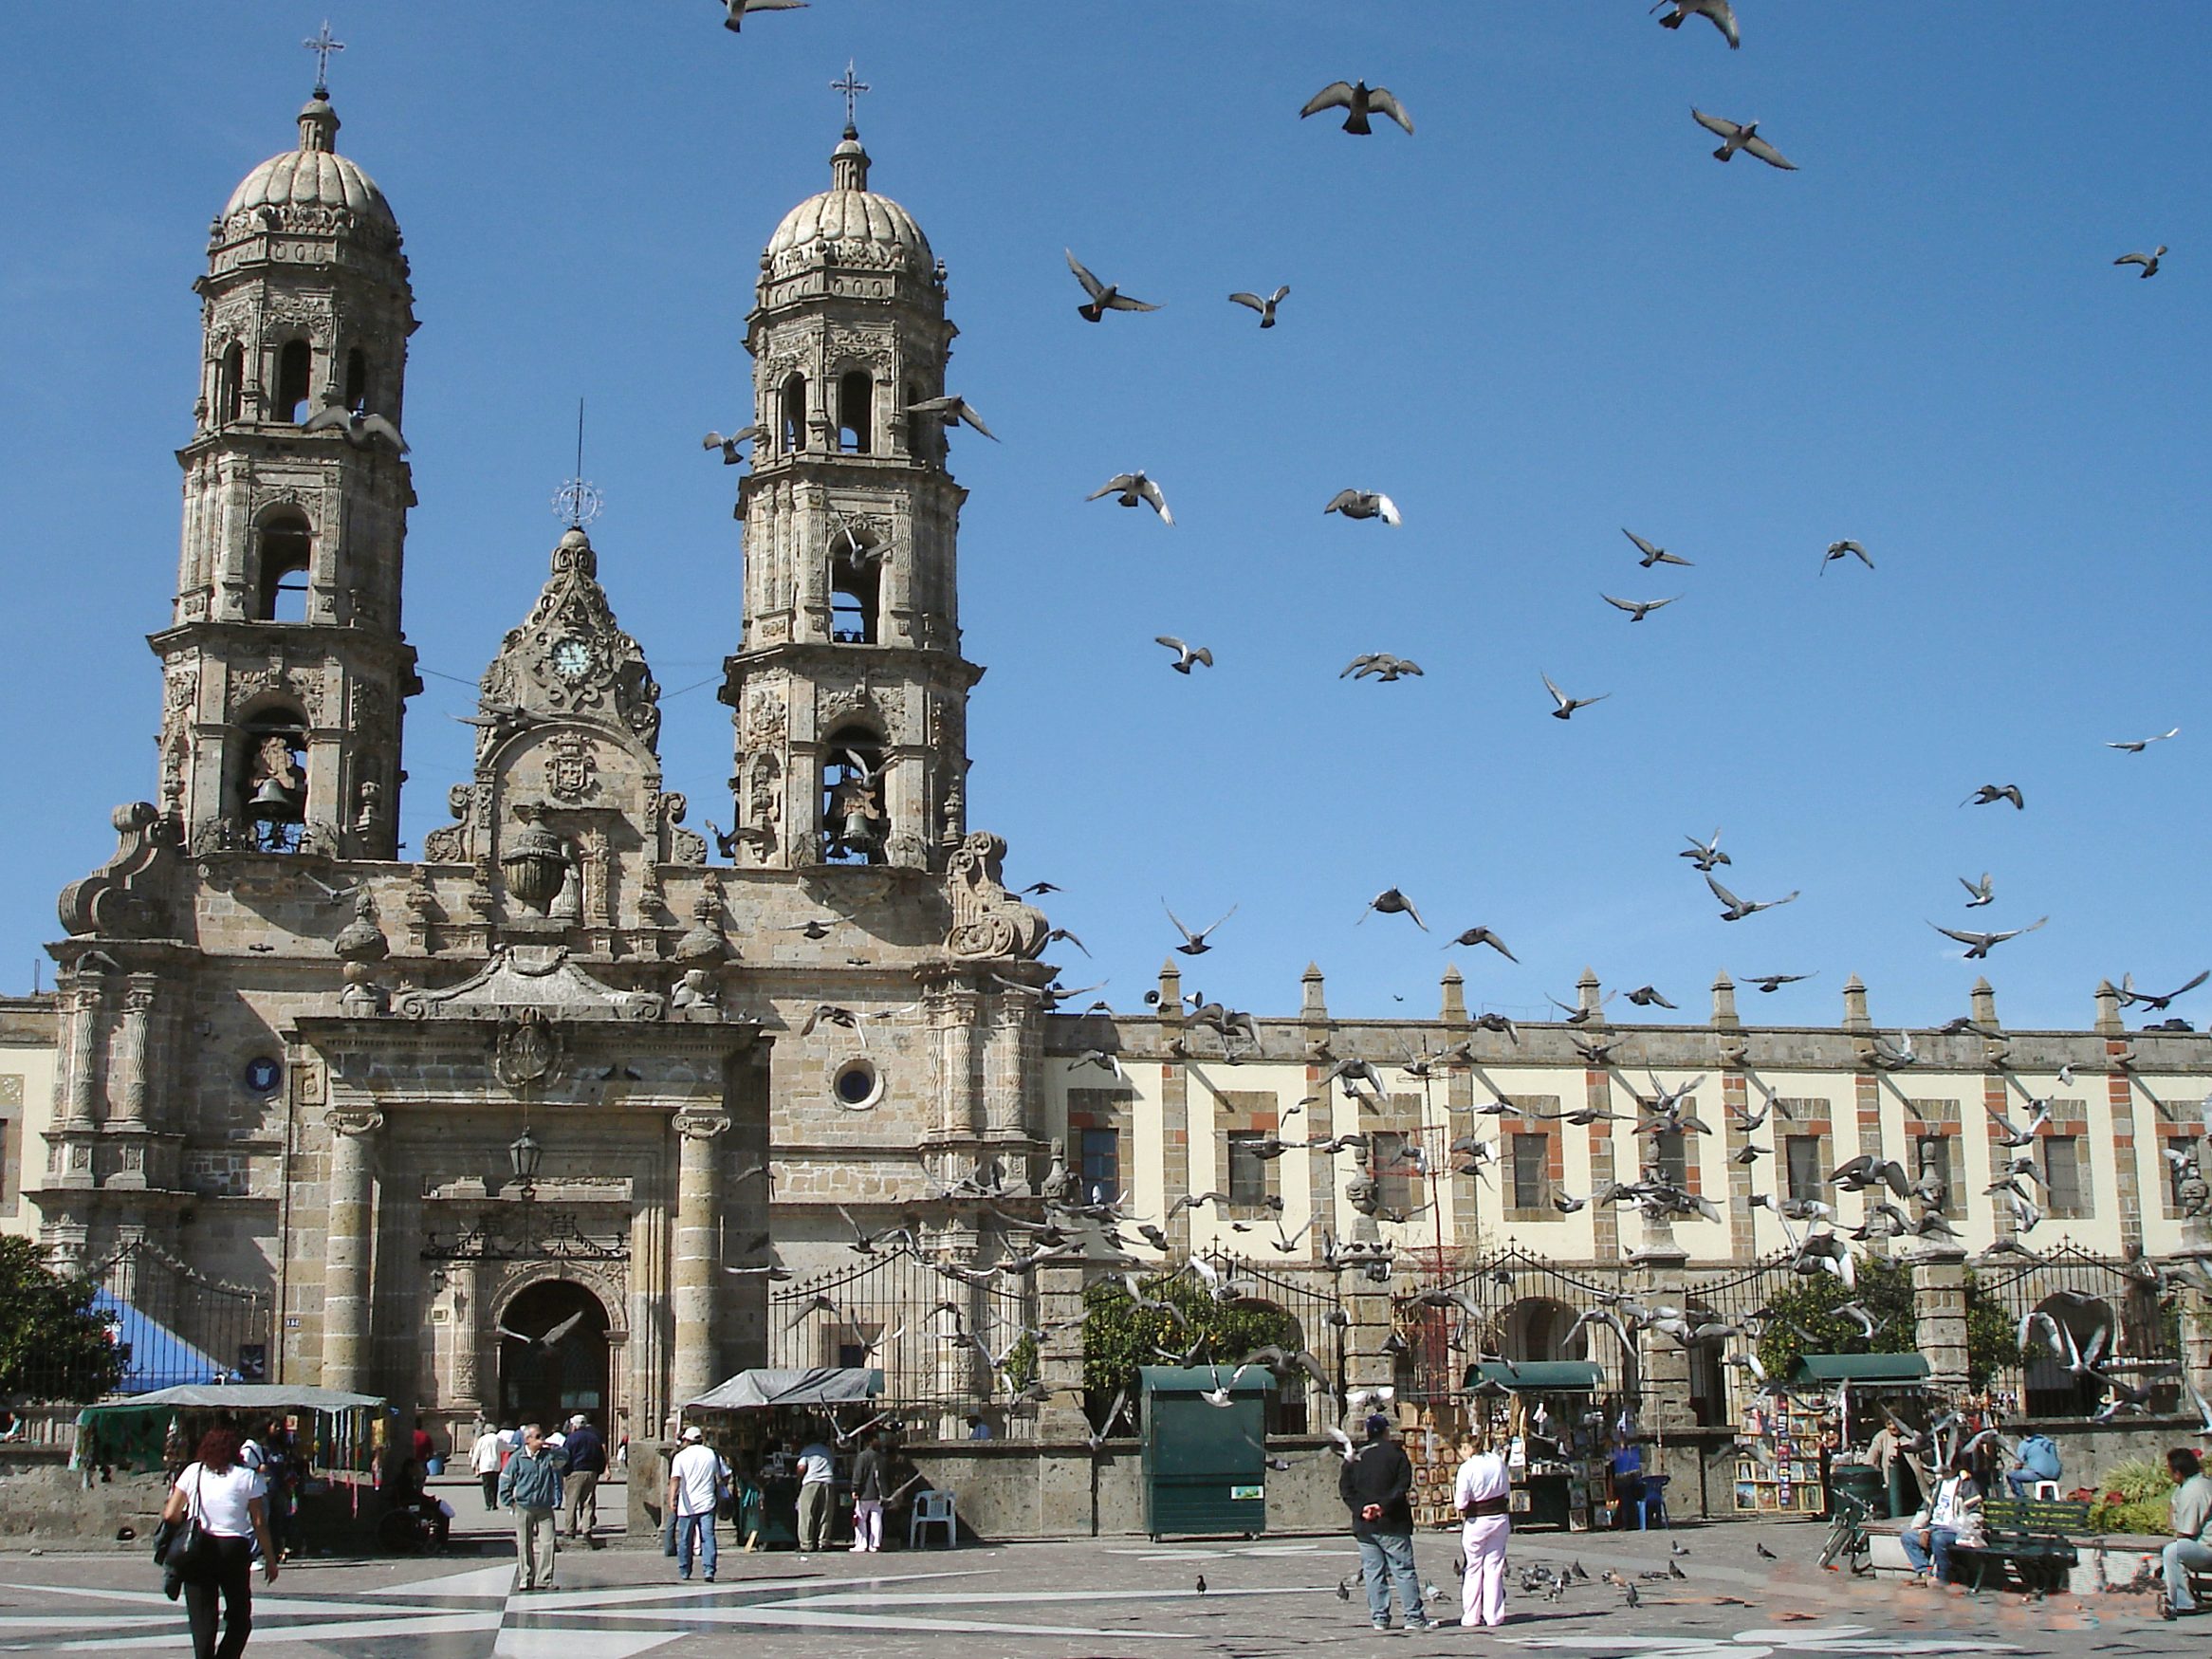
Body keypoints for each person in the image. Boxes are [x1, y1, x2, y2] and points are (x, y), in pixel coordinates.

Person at [162, 1424, 278, 1659]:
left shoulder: (193, 1471)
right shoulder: (248, 1477)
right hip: (233, 1549)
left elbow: (170, 1513)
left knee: (202, 1621)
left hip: (197, 1548)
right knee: (240, 1617)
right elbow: (259, 1523)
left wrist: (186, 1521)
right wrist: (270, 1558)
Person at [1338, 1414, 1432, 1633]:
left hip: (1365, 1525)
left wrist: (1363, 1508)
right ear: (1386, 1432)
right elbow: (1402, 1485)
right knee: (1402, 1569)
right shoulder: (1396, 1454)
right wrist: (1382, 1506)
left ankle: (1379, 1618)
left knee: (1373, 1572)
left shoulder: (1355, 1456)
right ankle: (1413, 1617)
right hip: (1392, 1522)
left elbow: (1346, 1489)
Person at [1454, 1430, 1513, 1630]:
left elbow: (1461, 1502)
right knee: (1494, 1567)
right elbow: (1506, 1489)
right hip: (1499, 1517)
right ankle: (1494, 1615)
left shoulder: (1467, 1467)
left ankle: (1471, 1615)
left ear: (1466, 1448)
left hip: (1477, 1519)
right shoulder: (1497, 1461)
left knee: (1473, 1567)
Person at [498, 1424, 563, 1593]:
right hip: (523, 1505)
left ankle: (545, 1578)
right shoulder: (517, 1458)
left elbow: (564, 1460)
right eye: (538, 1436)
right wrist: (510, 1502)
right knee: (524, 1543)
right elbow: (505, 1480)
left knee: (548, 1542)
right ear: (527, 1440)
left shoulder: (547, 1456)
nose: (542, 1439)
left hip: (544, 1506)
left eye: (542, 1436)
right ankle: (526, 1577)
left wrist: (554, 1448)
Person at [1901, 1454, 1984, 1587]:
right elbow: (1925, 1508)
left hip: (1954, 1529)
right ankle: (1926, 1573)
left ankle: (1942, 1577)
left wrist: (1965, 1526)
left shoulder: (1966, 1484)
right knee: (1908, 1537)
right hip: (1934, 1527)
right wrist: (1919, 1528)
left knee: (1938, 1539)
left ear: (1956, 1467)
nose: (1944, 1472)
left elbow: (1975, 1513)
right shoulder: (1938, 1484)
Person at [667, 1426, 730, 1582]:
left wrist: (671, 1498)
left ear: (687, 1440)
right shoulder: (712, 1454)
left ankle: (684, 1570)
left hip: (687, 1504)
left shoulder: (680, 1456)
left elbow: (675, 1479)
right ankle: (709, 1570)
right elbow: (726, 1475)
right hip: (707, 1502)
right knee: (708, 1537)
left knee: (685, 1539)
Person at [2161, 1447, 2212, 1615]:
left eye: (2169, 1468)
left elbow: (2186, 1531)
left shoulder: (2195, 1489)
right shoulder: (2189, 1485)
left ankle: (2183, 1603)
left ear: (2178, 1472)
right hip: (2201, 1544)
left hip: (2207, 1547)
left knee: (2173, 1552)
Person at [562, 1413, 607, 1544]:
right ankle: (586, 1529)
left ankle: (570, 1530)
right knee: (588, 1502)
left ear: (574, 1426)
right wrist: (598, 1471)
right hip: (591, 1472)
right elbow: (600, 1456)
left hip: (575, 1471)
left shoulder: (571, 1438)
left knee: (571, 1502)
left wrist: (566, 1472)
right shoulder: (594, 1438)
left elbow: (566, 1456)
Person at [796, 1431, 837, 1552]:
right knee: (825, 1513)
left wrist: (798, 1479)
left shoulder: (807, 1450)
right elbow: (833, 1465)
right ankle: (823, 1542)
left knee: (806, 1513)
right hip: (828, 1481)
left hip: (811, 1482)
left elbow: (801, 1467)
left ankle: (806, 1544)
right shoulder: (828, 1451)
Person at [849, 1431, 886, 1553]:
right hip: (879, 1493)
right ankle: (875, 1544)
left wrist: (855, 1489)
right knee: (876, 1519)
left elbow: (858, 1474)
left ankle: (861, 1543)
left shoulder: (863, 1456)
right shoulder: (881, 1457)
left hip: (865, 1493)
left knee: (860, 1519)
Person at [2006, 1432, 2062, 1500]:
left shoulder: (2025, 1444)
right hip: (2056, 1474)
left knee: (2012, 1475)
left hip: (2040, 1474)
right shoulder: (2049, 1442)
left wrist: (2016, 1471)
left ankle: (2022, 1498)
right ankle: (2046, 1497)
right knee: (2041, 1473)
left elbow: (2018, 1464)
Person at [1610, 1437, 1647, 1530]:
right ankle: (1627, 1521)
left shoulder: (1631, 1454)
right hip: (1627, 1484)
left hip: (1634, 1485)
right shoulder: (1621, 1454)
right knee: (1625, 1495)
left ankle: (1628, 1522)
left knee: (1626, 1496)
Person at [470, 1420, 506, 1511]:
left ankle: (488, 1503)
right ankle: (494, 1503)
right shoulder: (497, 1439)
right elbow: (505, 1447)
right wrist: (516, 1447)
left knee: (486, 1486)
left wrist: (473, 1463)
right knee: (494, 1485)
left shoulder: (482, 1439)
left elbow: (477, 1452)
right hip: (495, 1464)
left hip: (485, 1465)